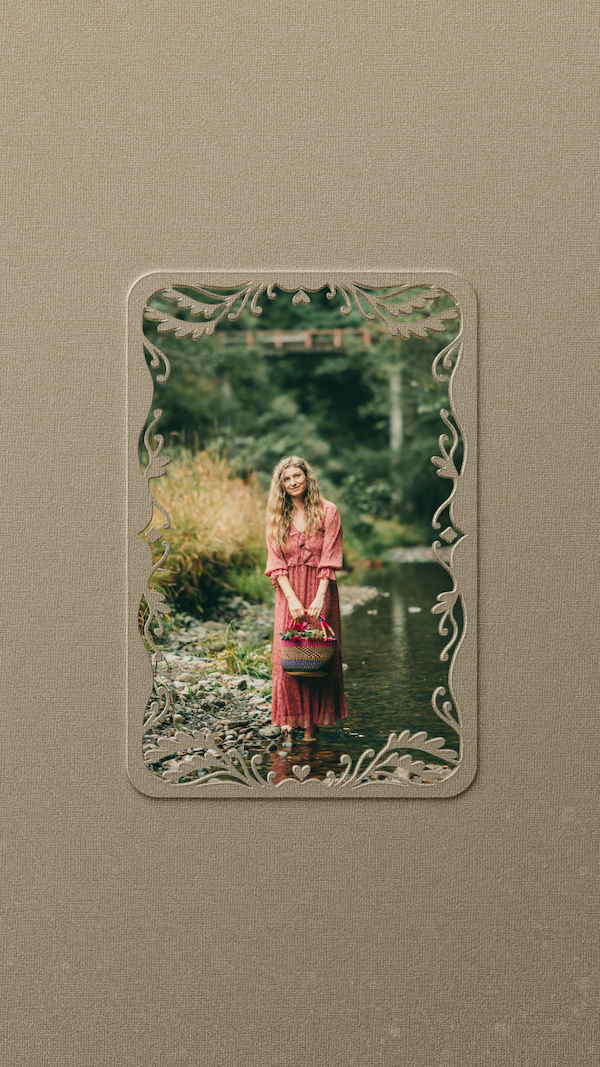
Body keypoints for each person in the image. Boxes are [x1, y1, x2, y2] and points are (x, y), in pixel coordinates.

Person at [265, 455, 348, 742]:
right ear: (281, 484)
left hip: (321, 587)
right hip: (288, 592)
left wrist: (320, 596)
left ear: (307, 477)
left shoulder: (329, 511)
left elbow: (331, 556)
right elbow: (276, 561)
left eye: (296, 476)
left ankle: (311, 727)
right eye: (286, 479)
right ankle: (290, 720)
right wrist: (291, 598)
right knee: (286, 656)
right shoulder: (277, 516)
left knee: (317, 653)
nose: (292, 482)